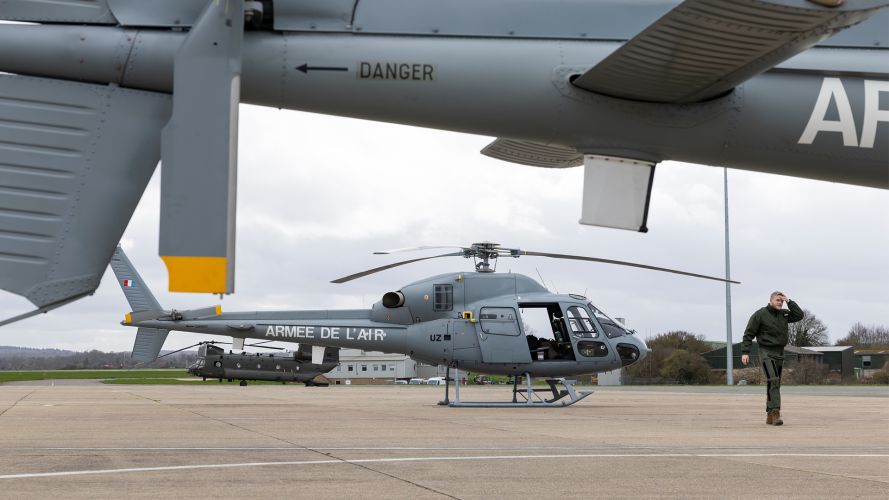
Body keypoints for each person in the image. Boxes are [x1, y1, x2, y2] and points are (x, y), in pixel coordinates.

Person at [741, 291, 804, 425]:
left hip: (779, 352)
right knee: (774, 379)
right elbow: (748, 334)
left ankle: (770, 414)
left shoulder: (784, 314)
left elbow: (799, 315)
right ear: (770, 301)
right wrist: (745, 352)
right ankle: (776, 412)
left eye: (781, 301)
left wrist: (789, 300)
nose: (780, 303)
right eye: (777, 300)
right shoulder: (760, 314)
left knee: (774, 383)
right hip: (766, 352)